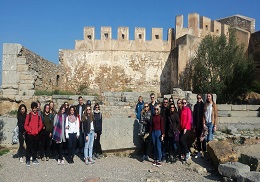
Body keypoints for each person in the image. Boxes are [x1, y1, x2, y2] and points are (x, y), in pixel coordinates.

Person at [24, 102, 43, 167]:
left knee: (35, 148)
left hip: (36, 134)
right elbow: (25, 125)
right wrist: (30, 130)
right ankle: (28, 160)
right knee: (29, 148)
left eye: (35, 108)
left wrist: (37, 130)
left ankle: (34, 159)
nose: (34, 109)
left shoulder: (38, 116)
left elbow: (40, 125)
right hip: (29, 134)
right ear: (32, 108)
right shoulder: (29, 115)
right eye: (33, 108)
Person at [161, 98, 170, 162]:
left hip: (169, 129)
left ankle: (168, 155)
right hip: (162, 128)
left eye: (166, 102)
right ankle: (163, 155)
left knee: (168, 142)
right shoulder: (161, 110)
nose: (165, 103)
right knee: (163, 142)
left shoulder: (169, 110)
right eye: (164, 102)